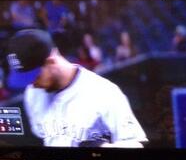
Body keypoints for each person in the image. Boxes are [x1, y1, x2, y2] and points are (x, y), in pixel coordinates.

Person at [7, 28, 147, 148]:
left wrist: (103, 148)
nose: (32, 84)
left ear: (51, 61)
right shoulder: (32, 94)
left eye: (34, 76)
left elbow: (136, 144)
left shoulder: (105, 92)